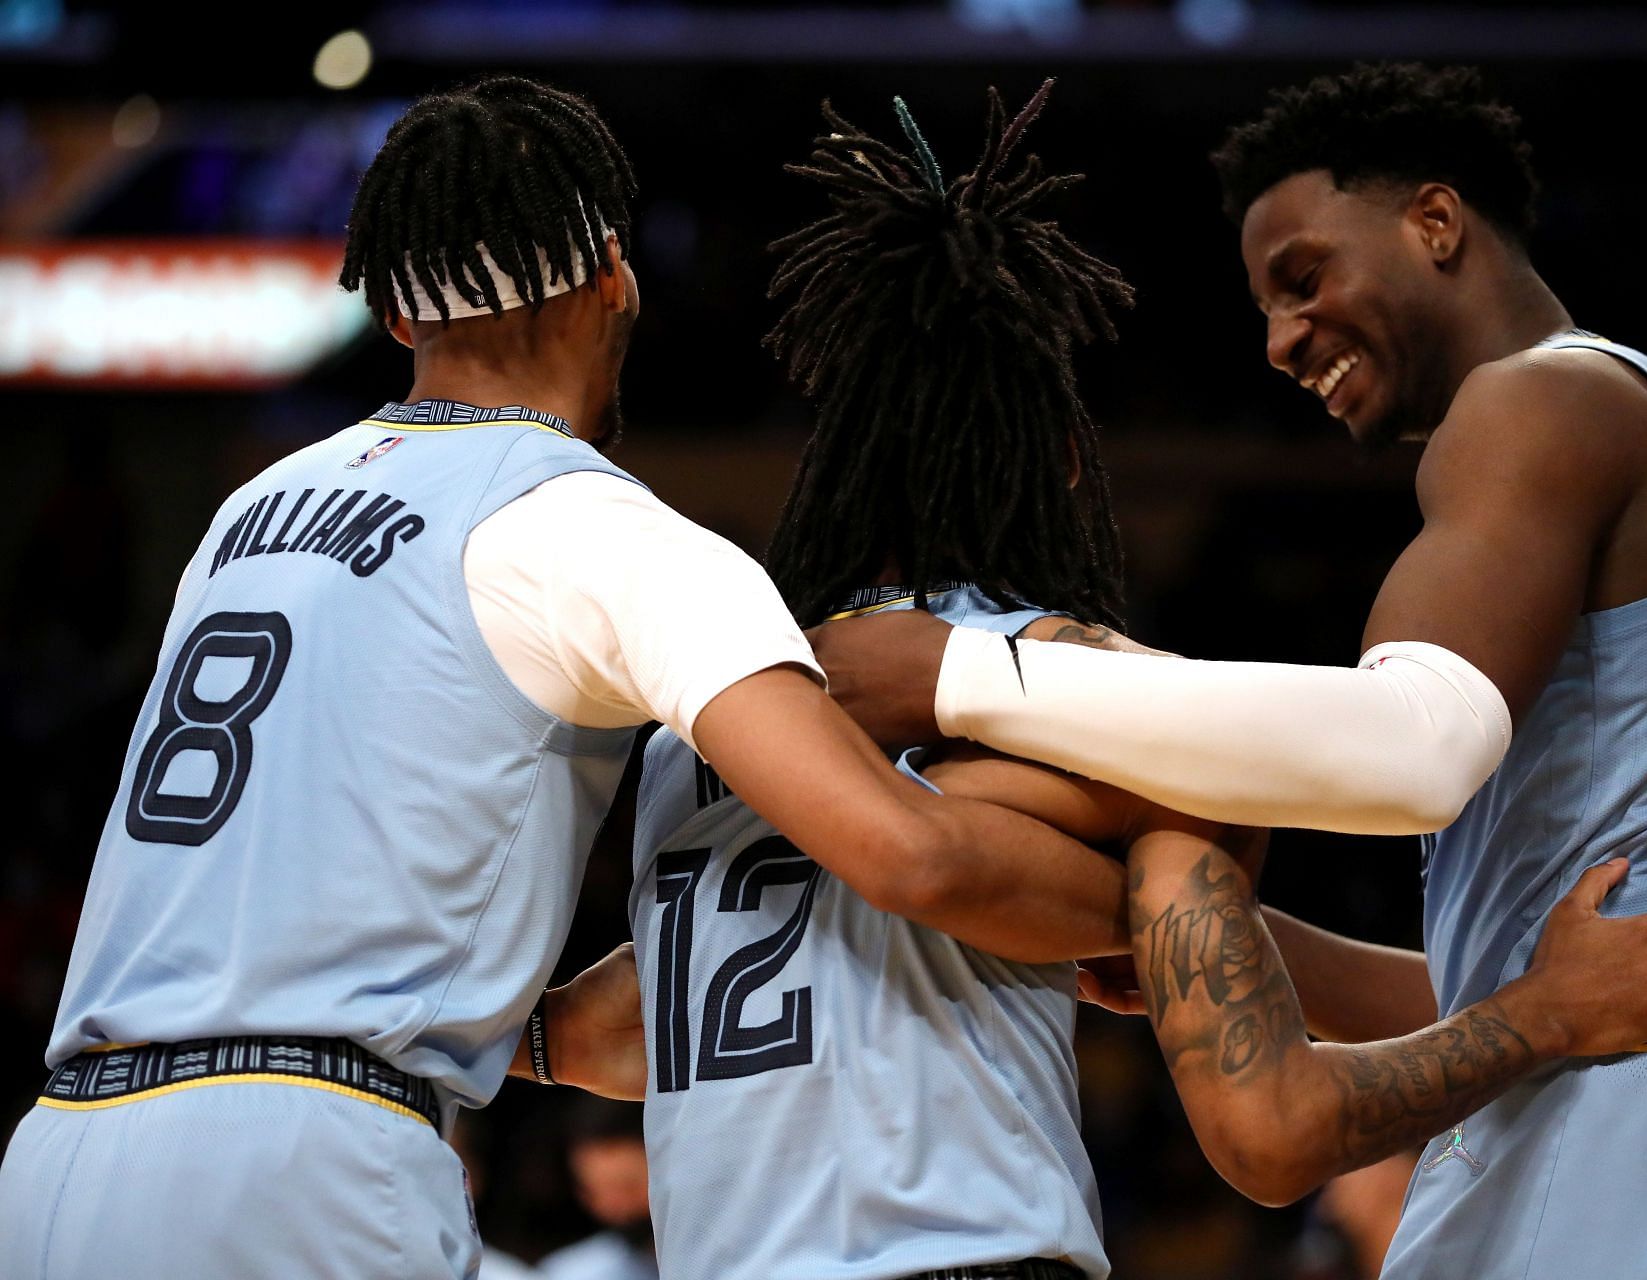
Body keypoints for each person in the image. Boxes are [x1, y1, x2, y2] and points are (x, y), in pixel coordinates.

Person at [524, 83, 1647, 1280]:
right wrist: (1541, 1010)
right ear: (1064, 461)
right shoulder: (1105, 709)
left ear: (832, 463)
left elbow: (635, 1024)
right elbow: (1271, 1115)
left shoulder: (710, 721)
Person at [0, 75, 1132, 1280]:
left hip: (60, 1152)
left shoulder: (248, 510)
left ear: (395, 312)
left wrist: (527, 1033)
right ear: (612, 275)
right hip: (304, 1158)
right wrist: (1148, 924)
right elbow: (907, 854)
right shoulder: (596, 525)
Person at [805, 62, 1647, 1277]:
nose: (1278, 340)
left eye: (1302, 278)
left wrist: (959, 671)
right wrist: (1201, 946)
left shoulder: (1543, 401)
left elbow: (1415, 745)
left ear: (1435, 222)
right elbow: (1543, 977)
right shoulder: (1617, 435)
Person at [541, 1099, 658, 1280]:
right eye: (595, 1192)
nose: (617, 1207)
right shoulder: (573, 1273)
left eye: (629, 1187)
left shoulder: (712, 1261)